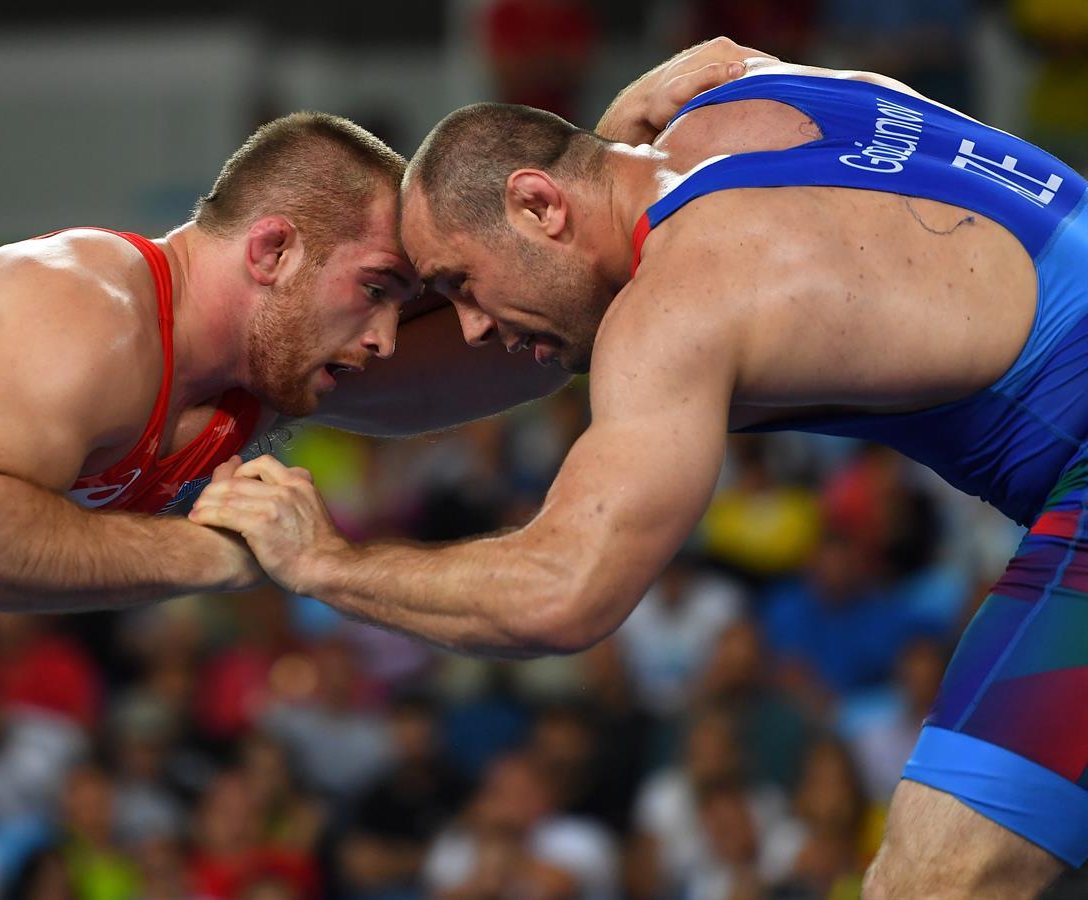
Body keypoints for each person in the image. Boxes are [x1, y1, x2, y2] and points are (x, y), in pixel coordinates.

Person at [0, 43, 753, 898]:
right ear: (270, 250)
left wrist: (627, 171)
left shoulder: (258, 380)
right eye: (376, 291)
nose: (389, 336)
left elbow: (537, 324)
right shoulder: (95, 305)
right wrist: (211, 555)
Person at [189, 45, 1088, 898]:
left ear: (541, 204)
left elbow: (562, 593)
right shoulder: (737, 102)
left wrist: (323, 563)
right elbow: (722, 57)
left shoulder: (679, 306)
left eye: (461, 282)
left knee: (934, 881)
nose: (468, 329)